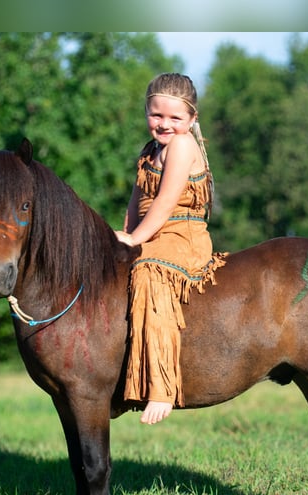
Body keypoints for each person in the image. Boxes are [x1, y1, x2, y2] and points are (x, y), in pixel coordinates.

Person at [115, 73, 226, 425]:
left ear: (192, 120)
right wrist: (124, 235)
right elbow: (136, 204)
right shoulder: (150, 152)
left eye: (175, 118)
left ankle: (161, 387)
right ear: (147, 111)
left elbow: (163, 205)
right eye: (156, 115)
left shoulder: (182, 146)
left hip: (182, 236)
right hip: (153, 231)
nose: (164, 124)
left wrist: (136, 242)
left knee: (149, 270)